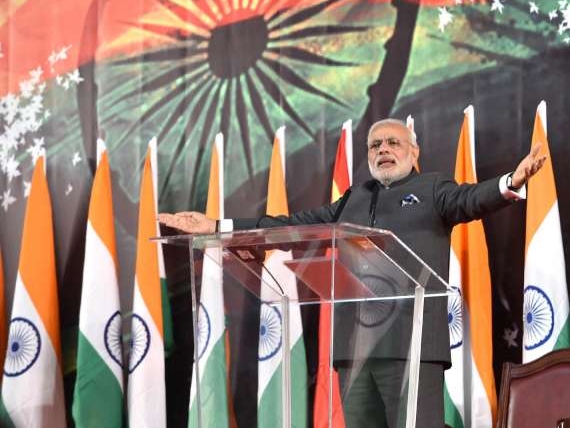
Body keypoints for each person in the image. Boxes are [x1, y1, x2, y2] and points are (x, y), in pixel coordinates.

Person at [159, 118, 546, 428]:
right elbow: (292, 225)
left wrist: (510, 183)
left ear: (415, 151)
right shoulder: (355, 198)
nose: (383, 150)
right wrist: (216, 227)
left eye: (393, 143)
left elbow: (470, 199)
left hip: (410, 348)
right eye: (375, 145)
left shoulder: (432, 188)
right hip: (355, 352)